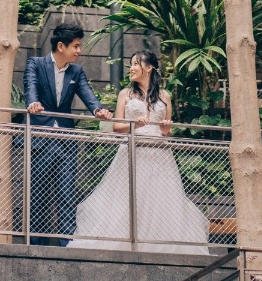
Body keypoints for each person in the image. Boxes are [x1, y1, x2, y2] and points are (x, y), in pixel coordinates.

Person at [67, 50, 210, 255]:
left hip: (160, 154)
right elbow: (117, 127)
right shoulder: (125, 94)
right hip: (132, 152)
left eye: (136, 64)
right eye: (131, 64)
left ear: (149, 67)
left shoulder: (164, 95)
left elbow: (166, 132)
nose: (131, 68)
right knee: (128, 197)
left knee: (160, 199)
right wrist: (134, 125)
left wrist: (167, 128)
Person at [24, 21, 113, 246]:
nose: (79, 51)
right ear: (61, 46)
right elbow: (31, 87)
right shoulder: (36, 64)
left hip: (66, 140)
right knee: (38, 197)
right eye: (76, 46)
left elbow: (87, 93)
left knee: (66, 194)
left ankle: (67, 246)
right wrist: (33, 102)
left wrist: (98, 109)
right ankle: (37, 246)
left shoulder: (76, 70)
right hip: (40, 139)